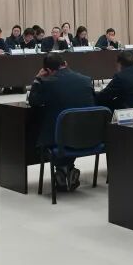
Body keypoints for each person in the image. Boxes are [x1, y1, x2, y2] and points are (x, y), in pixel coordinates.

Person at [27, 53, 95, 191]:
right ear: (65, 63)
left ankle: (62, 170)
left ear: (48, 70)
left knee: (53, 130)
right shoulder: (86, 80)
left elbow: (33, 101)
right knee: (69, 131)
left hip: (59, 138)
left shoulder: (48, 83)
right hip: (87, 136)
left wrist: (37, 79)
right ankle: (67, 169)